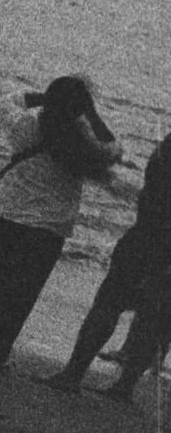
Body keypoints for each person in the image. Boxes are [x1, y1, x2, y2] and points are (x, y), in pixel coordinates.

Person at [0, 75, 122, 372]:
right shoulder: (85, 145)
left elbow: (5, 102)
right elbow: (115, 148)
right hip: (46, 231)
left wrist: (43, 98)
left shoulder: (25, 126)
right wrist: (89, 113)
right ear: (81, 108)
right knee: (21, 294)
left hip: (2, 214)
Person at [51, 132, 171, 398]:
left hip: (146, 237)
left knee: (108, 303)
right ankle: (124, 386)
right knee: (154, 317)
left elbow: (153, 190)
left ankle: (74, 374)